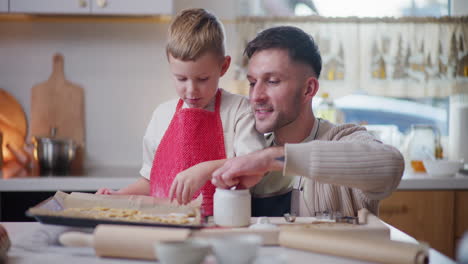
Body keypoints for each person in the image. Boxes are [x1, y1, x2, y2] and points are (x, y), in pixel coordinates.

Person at [182, 26, 404, 217]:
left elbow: (390, 165)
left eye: (272, 81)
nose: (256, 96)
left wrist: (273, 158)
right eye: (252, 83)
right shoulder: (245, 150)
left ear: (308, 89)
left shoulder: (341, 138)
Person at [96, 8, 266, 216]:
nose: (191, 90)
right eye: (181, 79)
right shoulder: (162, 115)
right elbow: (151, 183)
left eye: (202, 79)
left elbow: (256, 165)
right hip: (163, 225)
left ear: (223, 66)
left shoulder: (239, 110)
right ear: (170, 64)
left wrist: (205, 169)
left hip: (220, 226)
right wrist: (118, 196)